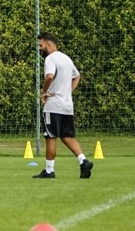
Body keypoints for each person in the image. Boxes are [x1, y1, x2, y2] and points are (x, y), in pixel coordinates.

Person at [34, 32, 92, 179]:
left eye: (40, 45)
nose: (39, 48)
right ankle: (83, 161)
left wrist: (44, 92)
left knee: (50, 136)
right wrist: (68, 91)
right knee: (67, 136)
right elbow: (77, 76)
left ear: (48, 44)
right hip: (67, 105)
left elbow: (49, 76)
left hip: (53, 105)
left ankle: (49, 171)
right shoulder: (66, 58)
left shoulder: (50, 59)